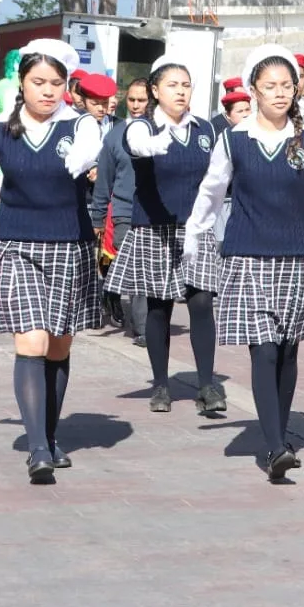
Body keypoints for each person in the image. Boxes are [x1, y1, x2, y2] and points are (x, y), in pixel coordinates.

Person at [0, 39, 105, 484]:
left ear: (67, 86)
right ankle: (37, 449)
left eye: (56, 84)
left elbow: (84, 157)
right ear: (20, 82)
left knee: (59, 344)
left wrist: (80, 155)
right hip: (14, 245)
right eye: (38, 82)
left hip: (70, 245)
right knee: (32, 343)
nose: (47, 91)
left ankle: (50, 436)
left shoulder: (81, 126)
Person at [185, 44, 304, 482]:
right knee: (264, 349)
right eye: (270, 86)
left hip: (296, 255)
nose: (279, 93)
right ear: (253, 89)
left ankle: (279, 432)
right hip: (248, 256)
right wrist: (195, 236)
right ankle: (274, 447)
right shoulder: (233, 140)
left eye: (287, 86)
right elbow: (212, 192)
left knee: (288, 350)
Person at [108, 56, 225, 415]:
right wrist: (156, 143)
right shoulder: (141, 128)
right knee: (159, 308)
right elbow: (138, 144)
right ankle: (160, 385)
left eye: (186, 85)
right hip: (155, 229)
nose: (180, 91)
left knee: (202, 303)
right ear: (155, 91)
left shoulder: (205, 130)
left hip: (197, 229)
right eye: (172, 85)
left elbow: (220, 175)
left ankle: (206, 384)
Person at [91, 77, 150, 343]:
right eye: (132, 99)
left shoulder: (161, 131)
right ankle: (143, 328)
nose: (136, 105)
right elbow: (104, 179)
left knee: (151, 271)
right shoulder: (115, 136)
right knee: (137, 270)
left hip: (155, 213)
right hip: (125, 212)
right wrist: (99, 217)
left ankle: (150, 323)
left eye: (142, 100)